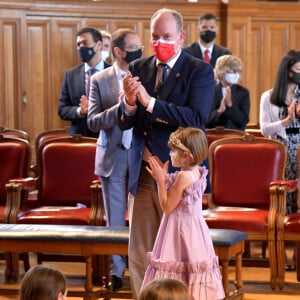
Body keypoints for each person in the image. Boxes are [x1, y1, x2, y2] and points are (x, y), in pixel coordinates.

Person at [118, 8, 215, 299]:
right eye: (155, 37)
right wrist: (131, 103)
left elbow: (196, 118)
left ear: (182, 37)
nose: (160, 42)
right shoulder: (138, 67)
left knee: (178, 250)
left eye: (167, 37)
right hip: (146, 169)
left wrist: (150, 102)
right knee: (141, 249)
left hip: (180, 171)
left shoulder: (200, 70)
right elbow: (125, 121)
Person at [87, 28, 143, 291]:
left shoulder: (148, 73)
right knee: (115, 220)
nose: (139, 50)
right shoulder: (100, 79)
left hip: (143, 155)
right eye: (134, 46)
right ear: (119, 51)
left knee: (144, 217)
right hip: (113, 156)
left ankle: (142, 267)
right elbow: (92, 121)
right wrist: (120, 107)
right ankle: (117, 271)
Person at [140, 127, 225, 300]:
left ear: (185, 156)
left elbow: (166, 206)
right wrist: (164, 178)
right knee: (190, 269)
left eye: (173, 150)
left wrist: (160, 181)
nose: (170, 154)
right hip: (194, 230)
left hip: (179, 231)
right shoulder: (198, 171)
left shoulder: (183, 177)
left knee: (178, 267)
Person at [260, 49, 300, 215]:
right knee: (282, 188)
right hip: (280, 147)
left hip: (299, 148)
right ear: (288, 71)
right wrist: (287, 120)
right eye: (298, 70)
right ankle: (281, 224)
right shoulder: (268, 97)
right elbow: (264, 129)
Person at [58, 27, 111, 137]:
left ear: (99, 45)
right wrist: (80, 111)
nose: (81, 47)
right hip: (79, 138)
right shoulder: (70, 75)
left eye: (85, 43)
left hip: (107, 136)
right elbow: (62, 110)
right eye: (78, 44)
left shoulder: (113, 72)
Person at [206, 54, 250, 130]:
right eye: (233, 71)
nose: (236, 74)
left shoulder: (243, 92)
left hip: (236, 137)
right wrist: (219, 111)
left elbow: (243, 121)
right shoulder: (210, 91)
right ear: (222, 71)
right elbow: (206, 120)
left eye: (238, 71)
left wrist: (230, 105)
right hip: (214, 136)